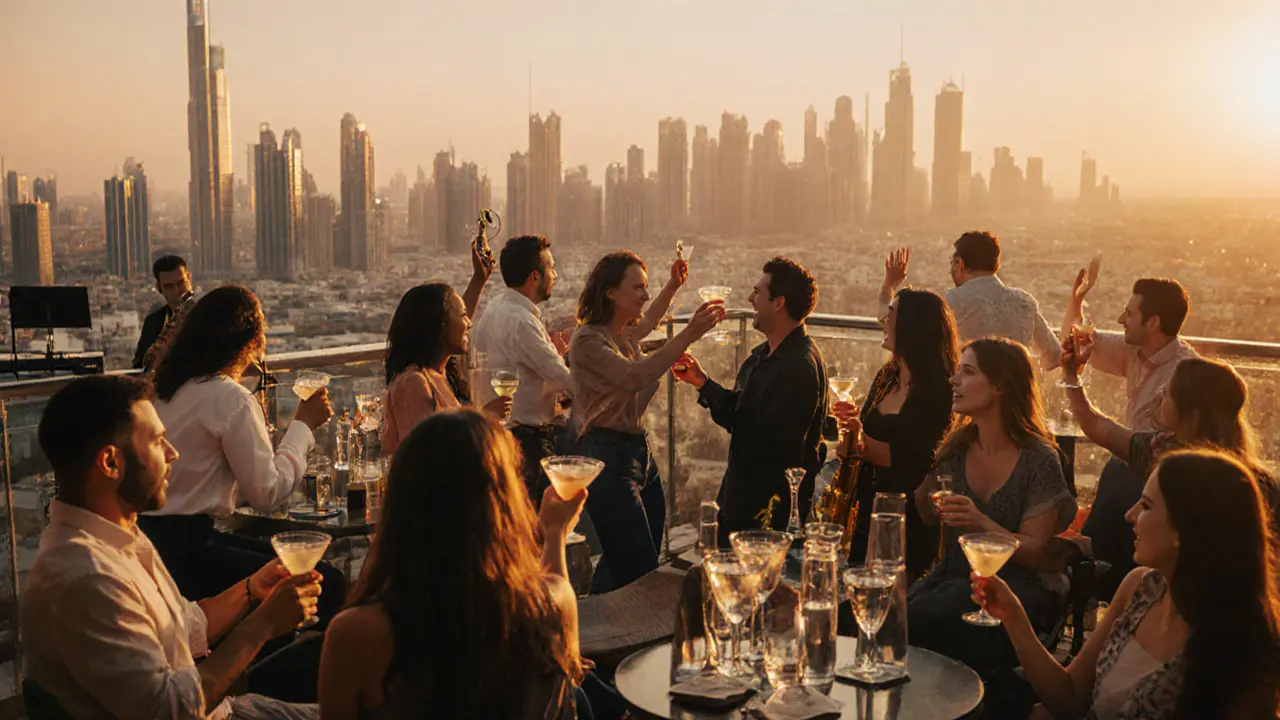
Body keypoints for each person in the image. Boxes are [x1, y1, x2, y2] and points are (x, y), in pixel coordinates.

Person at [22, 375, 323, 719]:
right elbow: (170, 711)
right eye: (157, 441)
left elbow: (186, 626)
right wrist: (264, 625)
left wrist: (252, 590)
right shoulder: (85, 577)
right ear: (110, 462)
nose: (173, 454)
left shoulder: (115, 536)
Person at [318, 409, 588, 719]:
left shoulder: (356, 634)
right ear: (504, 502)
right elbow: (569, 681)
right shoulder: (555, 606)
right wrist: (553, 533)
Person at [974, 449, 1280, 720]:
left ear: (1186, 529)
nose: (1129, 515)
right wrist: (1013, 616)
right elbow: (1068, 698)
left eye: (1145, 506)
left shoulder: (1248, 650)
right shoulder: (1141, 589)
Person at [137, 286, 343, 628]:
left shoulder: (162, 388)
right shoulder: (229, 398)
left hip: (152, 544)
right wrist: (304, 426)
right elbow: (266, 493)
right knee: (326, 583)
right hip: (193, 554)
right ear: (250, 342)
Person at [909, 338, 1077, 677]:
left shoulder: (1038, 459)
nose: (954, 381)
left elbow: (1032, 551)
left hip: (1016, 589)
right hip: (956, 579)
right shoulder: (956, 449)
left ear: (1000, 386)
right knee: (893, 617)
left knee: (925, 623)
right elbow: (926, 515)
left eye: (968, 372)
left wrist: (977, 520)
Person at [568, 250, 724, 593]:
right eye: (637, 288)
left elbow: (650, 321)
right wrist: (689, 333)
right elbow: (634, 375)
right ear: (611, 293)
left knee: (631, 562)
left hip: (638, 456)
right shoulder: (589, 342)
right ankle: (606, 632)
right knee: (638, 568)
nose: (645, 294)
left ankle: (598, 628)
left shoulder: (620, 335)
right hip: (608, 460)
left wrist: (672, 286)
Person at [671, 257, 827, 541]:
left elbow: (770, 444)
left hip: (765, 513)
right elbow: (742, 416)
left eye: (757, 292)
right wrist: (702, 383)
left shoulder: (799, 368)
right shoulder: (763, 355)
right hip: (742, 499)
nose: (750, 299)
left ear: (778, 303)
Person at [1066, 274, 1197, 599]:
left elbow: (1100, 428)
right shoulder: (1133, 350)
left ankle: (1099, 585)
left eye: (1128, 314)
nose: (1120, 319)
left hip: (1161, 476)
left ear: (1153, 322)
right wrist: (1076, 300)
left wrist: (1070, 378)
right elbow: (1076, 340)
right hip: (1131, 464)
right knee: (1116, 474)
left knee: (1118, 480)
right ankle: (1097, 582)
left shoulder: (1183, 375)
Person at [834, 253, 958, 580]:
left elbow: (908, 459)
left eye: (890, 316)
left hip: (907, 518)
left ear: (911, 329)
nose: (883, 321)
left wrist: (858, 435)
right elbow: (858, 445)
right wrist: (848, 432)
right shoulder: (887, 377)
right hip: (866, 508)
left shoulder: (938, 390)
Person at [471, 235, 574, 502]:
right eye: (550, 268)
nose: (556, 274)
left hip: (499, 434)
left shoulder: (495, 307)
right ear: (535, 277)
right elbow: (565, 378)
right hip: (527, 441)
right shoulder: (522, 322)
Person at [381, 282, 512, 456]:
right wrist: (483, 418)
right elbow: (423, 454)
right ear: (439, 324)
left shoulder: (442, 375)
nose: (469, 323)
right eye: (463, 315)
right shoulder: (413, 383)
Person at [941, 232, 1060, 369]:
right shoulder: (1024, 302)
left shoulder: (950, 301)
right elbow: (1053, 354)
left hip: (968, 387)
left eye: (952, 263)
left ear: (960, 265)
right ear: (996, 266)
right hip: (1016, 387)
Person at [134, 255, 195, 370]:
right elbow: (139, 365)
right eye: (169, 286)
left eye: (181, 283)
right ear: (158, 287)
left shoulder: (207, 314)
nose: (177, 291)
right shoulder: (153, 322)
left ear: (189, 277)